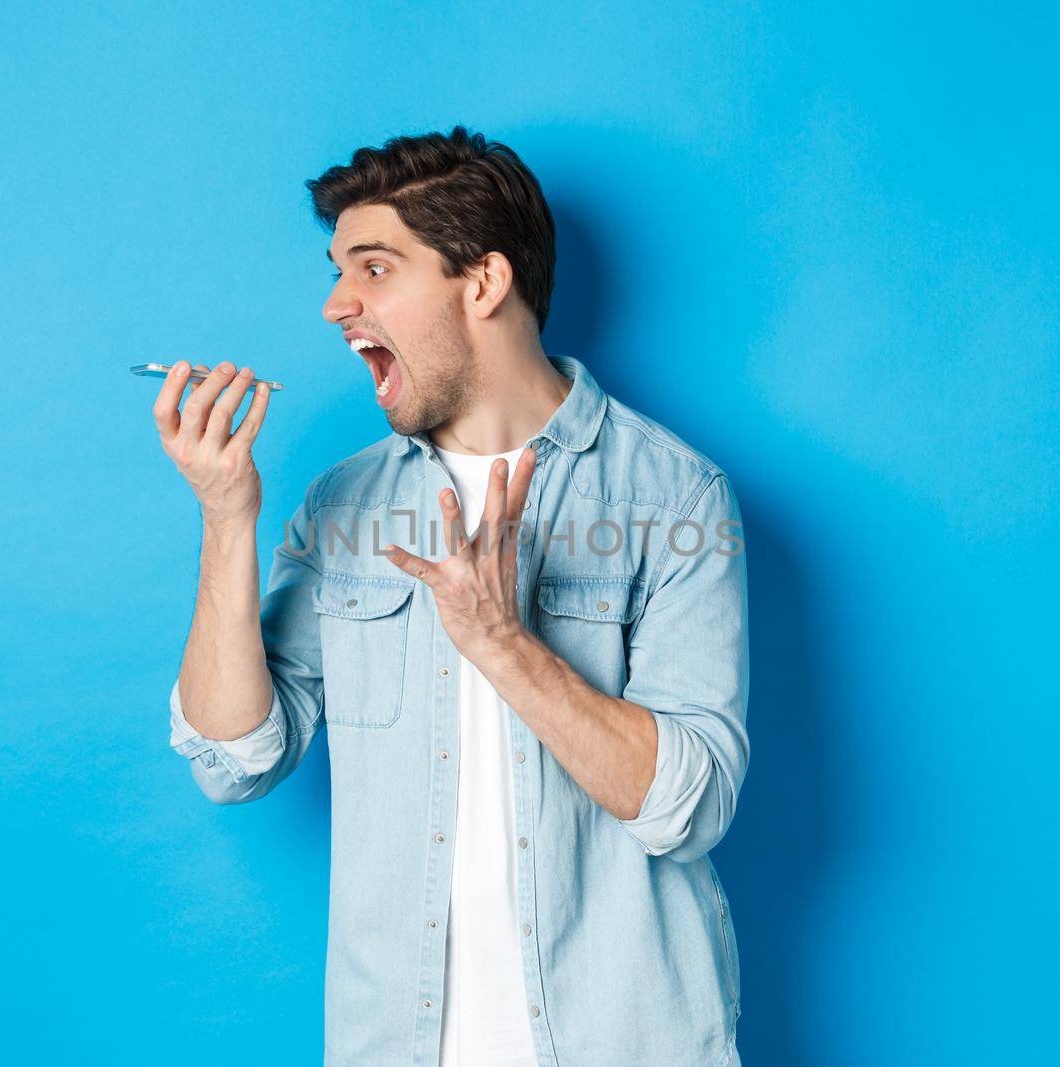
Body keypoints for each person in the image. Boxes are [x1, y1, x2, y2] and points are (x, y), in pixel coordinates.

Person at [153, 125, 749, 1067]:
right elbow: (234, 760)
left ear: (482, 283)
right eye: (339, 269)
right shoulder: (343, 507)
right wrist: (228, 519)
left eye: (375, 268)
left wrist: (501, 641)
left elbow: (690, 804)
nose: (336, 304)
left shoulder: (674, 500)